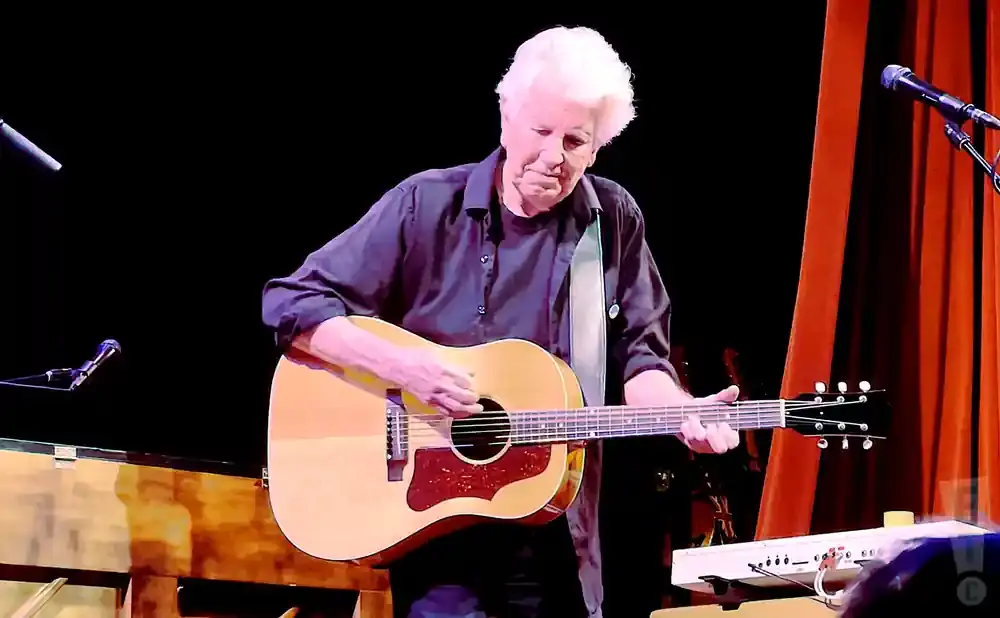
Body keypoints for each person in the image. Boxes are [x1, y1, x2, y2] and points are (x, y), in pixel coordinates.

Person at [261, 25, 740, 618]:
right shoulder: (426, 205)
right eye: (541, 131)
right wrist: (406, 369)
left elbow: (642, 359)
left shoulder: (611, 220)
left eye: (575, 141)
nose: (554, 156)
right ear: (506, 117)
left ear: (597, 148)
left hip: (557, 530)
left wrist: (680, 413)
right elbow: (292, 303)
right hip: (437, 534)